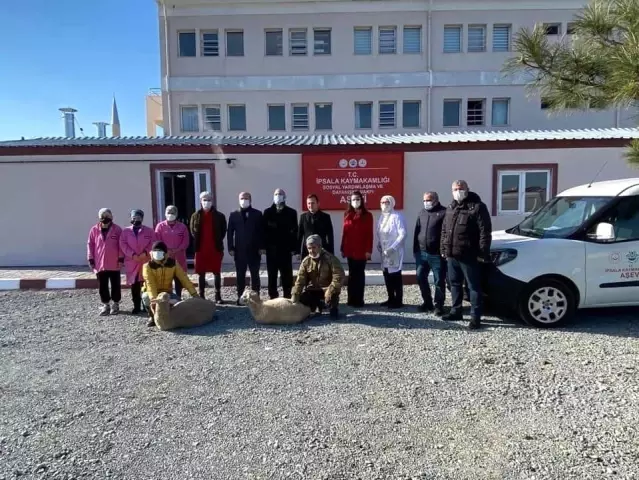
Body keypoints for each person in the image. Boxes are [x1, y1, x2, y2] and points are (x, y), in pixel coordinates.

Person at [440, 180, 492, 329]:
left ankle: (475, 317)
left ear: (467, 189)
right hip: (452, 255)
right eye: (455, 189)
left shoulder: (477, 207)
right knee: (454, 284)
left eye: (461, 188)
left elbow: (485, 232)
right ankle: (456, 310)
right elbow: (445, 230)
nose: (458, 191)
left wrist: (483, 253)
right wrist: (443, 249)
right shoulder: (451, 208)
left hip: (469, 255)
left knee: (473, 286)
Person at [142, 241, 198, 327]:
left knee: (179, 303)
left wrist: (194, 294)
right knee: (146, 297)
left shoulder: (173, 263)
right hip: (152, 293)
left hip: (167, 293)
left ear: (165, 253)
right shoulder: (147, 266)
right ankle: (152, 317)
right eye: (155, 251)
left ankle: (169, 316)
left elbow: (184, 278)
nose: (157, 254)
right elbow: (150, 284)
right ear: (152, 253)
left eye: (160, 251)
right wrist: (154, 299)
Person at [292, 234, 345, 319]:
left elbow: (338, 276)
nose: (311, 251)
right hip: (313, 290)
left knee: (332, 303)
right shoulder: (306, 261)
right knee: (302, 300)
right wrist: (295, 297)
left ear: (319, 246)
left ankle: (331, 307)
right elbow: (300, 280)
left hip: (327, 289)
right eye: (309, 248)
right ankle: (317, 305)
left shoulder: (331, 259)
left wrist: (330, 290)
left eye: (314, 247)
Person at [413, 191, 447, 316]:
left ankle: (439, 305)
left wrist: (444, 251)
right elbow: (417, 231)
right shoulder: (422, 213)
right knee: (420, 276)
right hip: (422, 253)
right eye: (424, 200)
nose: (426, 202)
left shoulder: (444, 212)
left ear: (436, 200)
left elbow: (446, 233)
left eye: (428, 200)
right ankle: (427, 302)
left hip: (437, 254)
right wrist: (415, 250)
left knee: (438, 280)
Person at [227, 191, 265, 305]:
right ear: (239, 200)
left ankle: (256, 297)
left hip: (254, 250)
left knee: (255, 275)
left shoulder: (257, 214)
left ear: (250, 200)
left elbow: (261, 232)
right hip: (239, 251)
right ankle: (240, 297)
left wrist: (262, 247)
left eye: (246, 198)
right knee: (240, 275)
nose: (244, 200)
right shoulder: (233, 214)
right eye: (242, 198)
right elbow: (230, 233)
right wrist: (231, 248)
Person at [189, 192, 227, 303]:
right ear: (200, 201)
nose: (207, 202)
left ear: (212, 201)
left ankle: (217, 296)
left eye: (209, 200)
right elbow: (192, 231)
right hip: (201, 249)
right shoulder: (195, 216)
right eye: (204, 200)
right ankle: (201, 295)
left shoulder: (219, 216)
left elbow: (223, 231)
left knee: (217, 272)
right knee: (201, 273)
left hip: (215, 248)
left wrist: (217, 240)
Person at [87, 208, 124, 316]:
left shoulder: (117, 230)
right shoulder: (94, 230)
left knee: (115, 285)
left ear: (112, 217)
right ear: (99, 217)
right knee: (102, 286)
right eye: (103, 216)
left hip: (114, 263)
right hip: (100, 263)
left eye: (108, 215)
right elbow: (90, 244)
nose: (106, 218)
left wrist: (121, 258)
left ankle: (116, 304)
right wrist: (90, 258)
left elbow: (121, 245)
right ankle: (106, 305)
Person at [263, 188, 298, 299]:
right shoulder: (267, 212)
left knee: (286, 276)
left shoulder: (292, 213)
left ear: (285, 197)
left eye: (280, 194)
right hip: (271, 251)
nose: (278, 196)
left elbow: (295, 232)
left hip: (285, 250)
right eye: (276, 194)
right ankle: (273, 298)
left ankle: (287, 297)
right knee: (272, 276)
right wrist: (263, 247)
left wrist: (295, 249)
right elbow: (263, 231)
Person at [341, 190, 373, 307]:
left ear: (362, 201)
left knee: (360, 275)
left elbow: (370, 235)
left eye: (358, 199)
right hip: (350, 250)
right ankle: (351, 299)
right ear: (350, 201)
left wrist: (368, 250)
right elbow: (344, 232)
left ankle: (359, 300)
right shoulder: (347, 214)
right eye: (353, 199)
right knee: (351, 275)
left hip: (362, 251)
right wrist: (342, 247)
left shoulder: (368, 215)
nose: (356, 201)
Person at [119, 209, 156, 314]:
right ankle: (136, 305)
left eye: (139, 218)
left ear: (142, 218)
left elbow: (152, 243)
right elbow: (123, 245)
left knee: (146, 284)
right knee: (134, 285)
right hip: (132, 261)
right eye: (134, 218)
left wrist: (145, 253)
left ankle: (147, 305)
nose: (136, 220)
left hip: (145, 261)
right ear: (131, 218)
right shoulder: (125, 232)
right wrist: (133, 255)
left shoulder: (149, 231)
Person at [376, 195, 407, 309]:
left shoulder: (397, 216)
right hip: (384, 252)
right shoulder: (382, 217)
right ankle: (390, 298)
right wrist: (379, 244)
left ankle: (398, 300)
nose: (384, 204)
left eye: (387, 202)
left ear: (392, 203)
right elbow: (380, 233)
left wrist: (393, 248)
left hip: (394, 251)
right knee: (387, 275)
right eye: (382, 202)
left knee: (395, 275)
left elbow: (402, 234)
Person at [155, 205, 190, 300]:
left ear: (176, 214)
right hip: (165, 257)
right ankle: (167, 298)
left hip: (179, 256)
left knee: (178, 278)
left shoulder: (182, 227)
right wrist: (166, 250)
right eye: (168, 213)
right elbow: (157, 240)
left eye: (172, 213)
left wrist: (178, 249)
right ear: (165, 214)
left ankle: (178, 296)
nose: (170, 215)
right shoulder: (160, 226)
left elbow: (186, 241)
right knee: (166, 279)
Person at [297, 194, 334, 260]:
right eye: (308, 203)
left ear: (318, 203)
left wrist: (331, 252)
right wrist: (298, 252)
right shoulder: (303, 217)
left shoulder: (326, 217)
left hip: (322, 252)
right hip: (307, 252)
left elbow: (330, 236)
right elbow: (299, 236)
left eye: (313, 203)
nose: (310, 205)